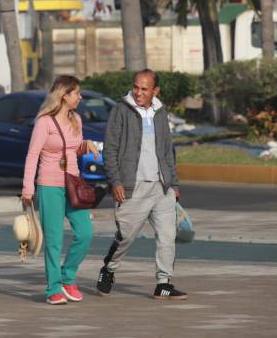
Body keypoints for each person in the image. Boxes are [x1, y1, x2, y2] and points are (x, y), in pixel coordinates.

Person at [96, 69, 186, 300]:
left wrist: (173, 183)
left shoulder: (160, 111)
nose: (138, 93)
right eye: (136, 87)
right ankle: (109, 269)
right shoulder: (121, 110)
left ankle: (163, 283)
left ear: (155, 91)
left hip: (160, 187)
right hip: (132, 187)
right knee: (125, 236)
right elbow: (111, 149)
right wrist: (115, 181)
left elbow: (167, 151)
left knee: (167, 236)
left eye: (144, 89)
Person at [21, 75, 100, 305]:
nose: (80, 97)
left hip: (73, 184)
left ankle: (68, 276)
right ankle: (53, 288)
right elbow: (33, 154)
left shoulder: (76, 119)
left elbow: (74, 149)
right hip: (49, 185)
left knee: (85, 232)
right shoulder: (44, 122)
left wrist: (87, 145)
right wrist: (28, 187)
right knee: (54, 240)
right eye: (76, 93)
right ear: (64, 95)